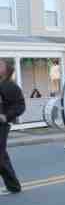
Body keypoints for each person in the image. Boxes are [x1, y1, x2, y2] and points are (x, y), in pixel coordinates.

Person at [0, 59, 25, 193]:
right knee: (2, 156)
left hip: (1, 126)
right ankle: (13, 186)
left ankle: (13, 186)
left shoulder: (10, 86)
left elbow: (21, 106)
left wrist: (6, 116)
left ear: (7, 69)